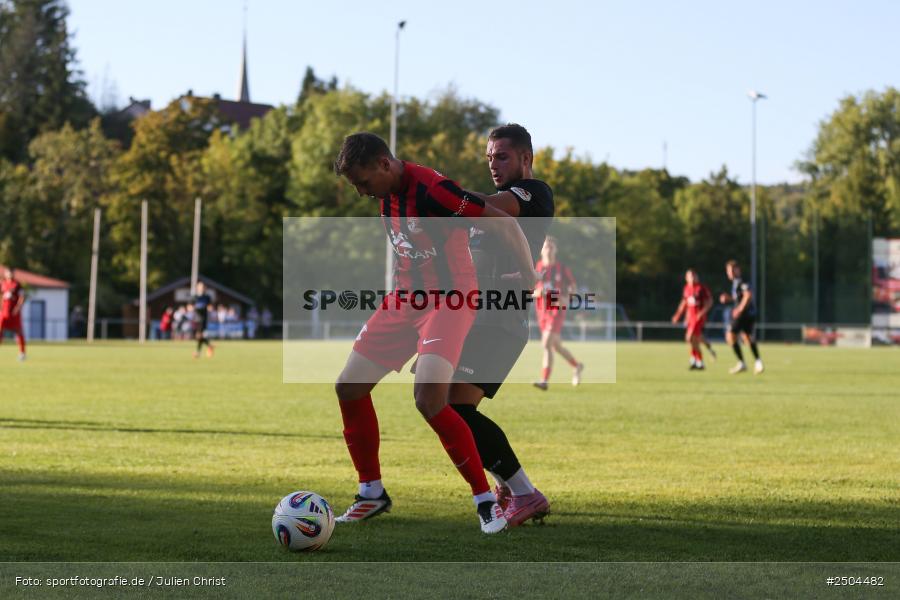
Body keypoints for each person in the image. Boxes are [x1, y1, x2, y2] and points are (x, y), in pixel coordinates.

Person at [331, 131, 537, 534]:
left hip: (449, 299)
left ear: (384, 165)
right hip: (406, 299)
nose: (361, 193)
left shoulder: (434, 190)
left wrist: (529, 277)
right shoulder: (385, 192)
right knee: (348, 387)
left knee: (429, 399)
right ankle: (371, 493)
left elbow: (504, 223)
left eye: (363, 183)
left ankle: (485, 501)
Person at [448, 123, 554, 527]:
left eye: (502, 156)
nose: (494, 163)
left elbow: (495, 206)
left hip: (501, 319)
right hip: (478, 318)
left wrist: (438, 192)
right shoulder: (486, 210)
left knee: (453, 408)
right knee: (450, 408)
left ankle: (523, 492)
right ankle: (513, 489)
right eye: (490, 157)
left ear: (526, 158)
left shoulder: (534, 193)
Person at [533, 237, 584, 390]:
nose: (548, 248)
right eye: (546, 246)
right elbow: (530, 291)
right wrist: (538, 293)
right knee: (556, 346)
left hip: (557, 310)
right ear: (541, 250)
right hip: (542, 311)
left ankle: (544, 380)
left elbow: (573, 287)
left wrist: (567, 298)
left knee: (546, 343)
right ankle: (577, 366)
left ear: (556, 250)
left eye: (551, 246)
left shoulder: (562, 269)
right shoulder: (537, 268)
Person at [720, 260, 764, 374]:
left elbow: (748, 295)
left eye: (731, 270)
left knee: (730, 335)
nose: (729, 273)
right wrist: (729, 299)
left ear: (738, 270)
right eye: (728, 271)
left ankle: (742, 363)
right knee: (747, 337)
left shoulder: (742, 281)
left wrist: (739, 309)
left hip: (744, 314)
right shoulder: (736, 283)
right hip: (748, 314)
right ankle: (758, 362)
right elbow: (739, 297)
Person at [671, 269, 714, 370]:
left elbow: (710, 302)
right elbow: (684, 303)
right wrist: (677, 315)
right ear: (686, 278)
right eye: (690, 276)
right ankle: (696, 360)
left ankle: (698, 360)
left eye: (694, 276)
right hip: (690, 318)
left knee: (689, 337)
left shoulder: (701, 288)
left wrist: (702, 313)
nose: (693, 278)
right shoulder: (686, 288)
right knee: (694, 340)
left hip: (698, 318)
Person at [0, 268, 26, 361]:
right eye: (8, 272)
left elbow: (22, 297)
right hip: (4, 312)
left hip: (14, 313)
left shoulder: (17, 285)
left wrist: (18, 308)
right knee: (0, 330)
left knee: (19, 332)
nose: (9, 274)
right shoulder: (2, 283)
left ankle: (22, 353)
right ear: (5, 274)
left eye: (11, 272)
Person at [191, 282, 215, 358]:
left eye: (203, 287)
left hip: (203, 318)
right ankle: (209, 345)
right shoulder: (194, 297)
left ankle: (198, 352)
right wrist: (193, 308)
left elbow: (210, 307)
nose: (201, 288)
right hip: (195, 318)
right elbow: (190, 306)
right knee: (198, 336)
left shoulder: (207, 297)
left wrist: (209, 308)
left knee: (199, 335)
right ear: (197, 287)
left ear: (205, 288)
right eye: (200, 286)